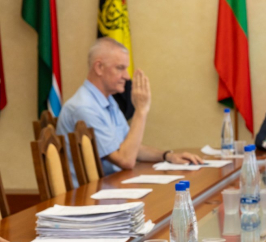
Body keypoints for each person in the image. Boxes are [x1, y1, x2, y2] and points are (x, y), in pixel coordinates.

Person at [57, 37, 202, 187]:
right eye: (120, 68)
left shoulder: (108, 101)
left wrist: (168, 156)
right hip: (88, 196)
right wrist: (141, 110)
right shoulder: (84, 108)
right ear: (99, 67)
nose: (127, 76)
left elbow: (131, 148)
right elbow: (126, 160)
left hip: (111, 186)